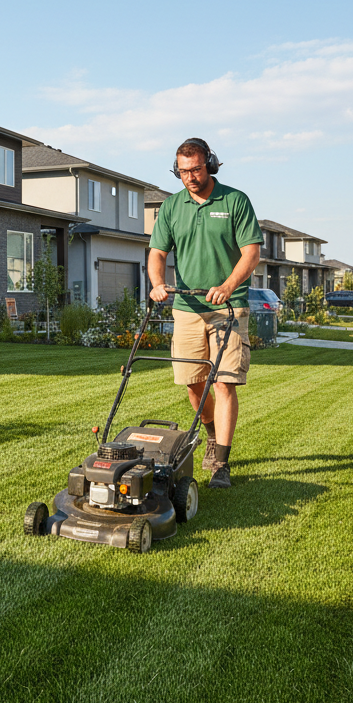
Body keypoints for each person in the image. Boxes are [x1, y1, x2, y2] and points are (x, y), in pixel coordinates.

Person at [147, 138, 262, 489]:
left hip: (228, 306)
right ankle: (211, 434)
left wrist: (228, 285)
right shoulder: (172, 207)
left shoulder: (235, 200)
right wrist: (157, 283)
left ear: (209, 163)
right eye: (183, 171)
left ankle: (222, 463)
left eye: (195, 169)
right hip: (187, 307)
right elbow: (157, 253)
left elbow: (251, 253)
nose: (190, 178)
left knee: (225, 381)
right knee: (193, 383)